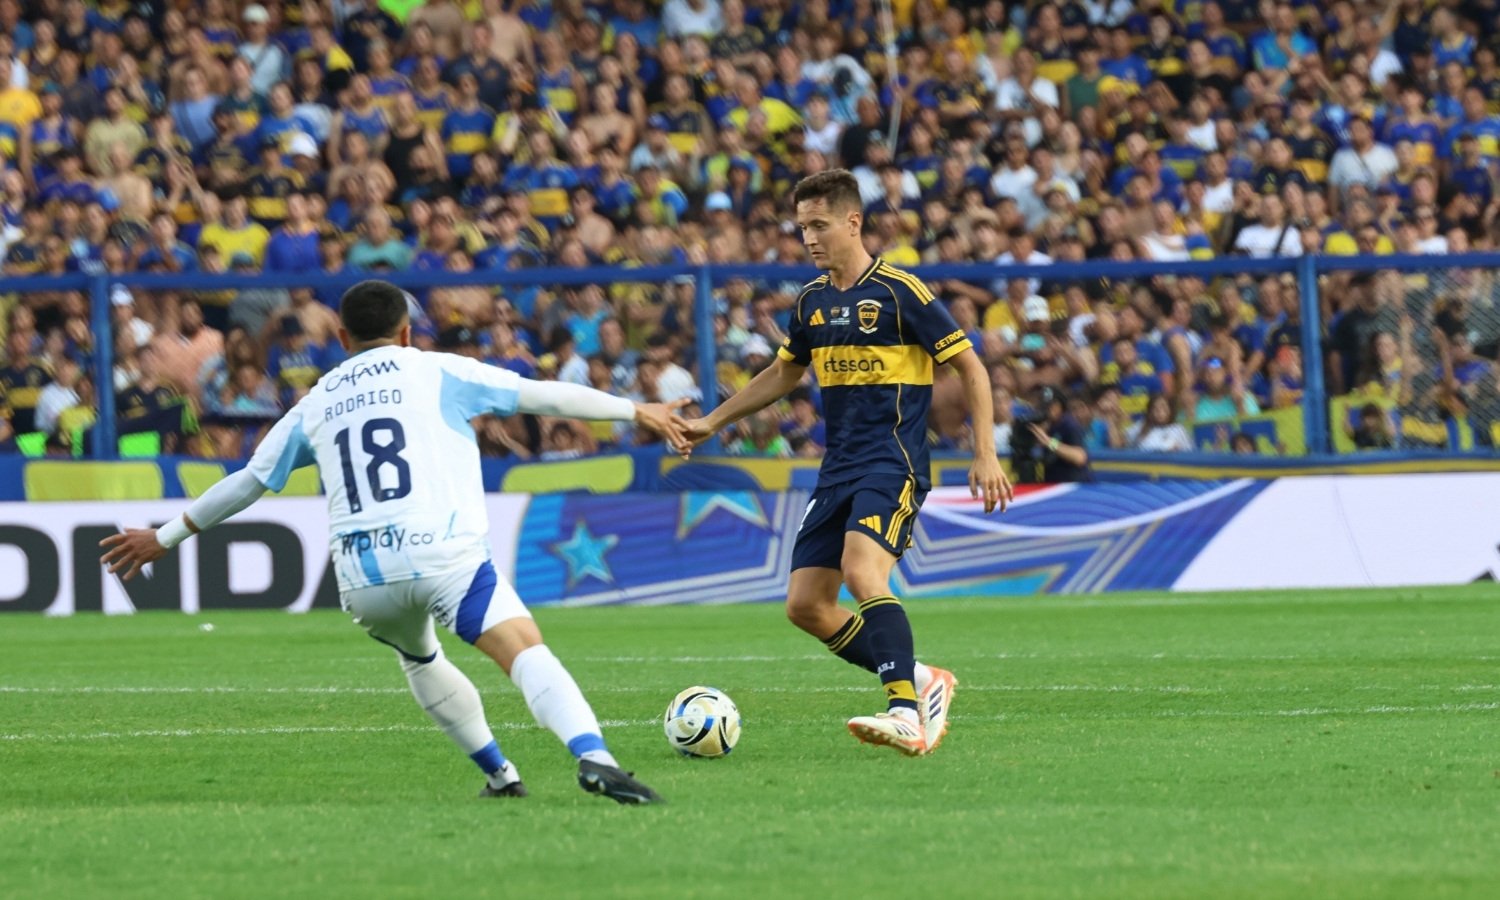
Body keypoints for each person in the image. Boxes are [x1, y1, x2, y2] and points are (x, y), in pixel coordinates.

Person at [101, 280, 689, 805]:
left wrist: (166, 535)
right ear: (406, 331)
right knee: (522, 650)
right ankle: (594, 756)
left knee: (418, 655)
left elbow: (251, 479)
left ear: (342, 338)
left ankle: (500, 774)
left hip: (363, 576)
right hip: (442, 553)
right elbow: (544, 396)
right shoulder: (438, 370)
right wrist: (638, 411)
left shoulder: (317, 400)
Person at [680, 170, 1013, 757]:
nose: (808, 238)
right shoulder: (812, 301)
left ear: (853, 222)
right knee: (806, 605)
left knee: (863, 573)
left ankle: (905, 711)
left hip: (893, 461)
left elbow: (972, 367)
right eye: (802, 227)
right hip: (837, 469)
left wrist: (984, 452)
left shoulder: (901, 292)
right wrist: (713, 421)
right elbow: (783, 373)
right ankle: (923, 677)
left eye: (819, 225)